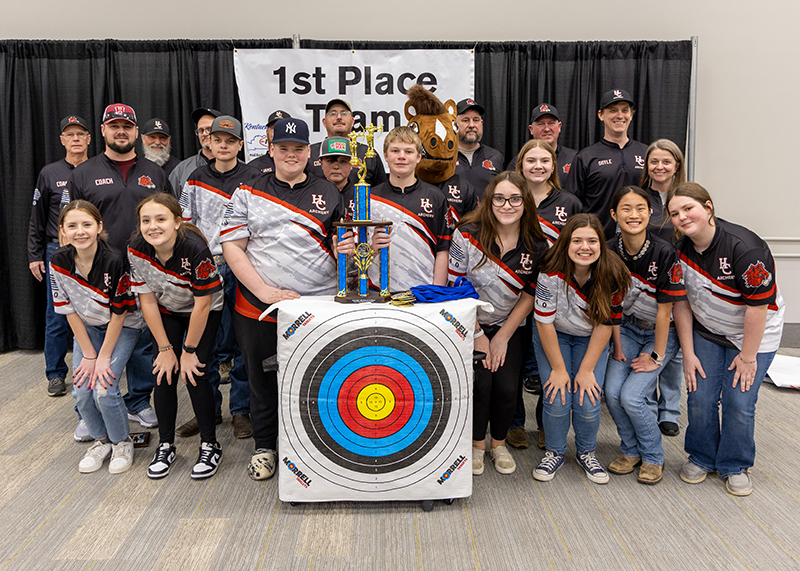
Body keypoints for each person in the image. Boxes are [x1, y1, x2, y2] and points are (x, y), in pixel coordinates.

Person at [220, 117, 352, 481]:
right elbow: (232, 246)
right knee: (262, 381)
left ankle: (314, 446)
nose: (290, 155)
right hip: (258, 305)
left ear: (308, 152)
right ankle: (265, 447)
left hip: (318, 305)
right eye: (283, 148)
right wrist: (263, 291)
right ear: (271, 149)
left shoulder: (328, 191)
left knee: (319, 378)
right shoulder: (247, 189)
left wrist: (347, 249)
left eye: (298, 149)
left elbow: (338, 244)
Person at [668, 182, 784, 496]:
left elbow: (758, 308)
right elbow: (680, 304)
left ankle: (735, 464)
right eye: (675, 214)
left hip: (753, 335)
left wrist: (748, 358)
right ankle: (702, 456)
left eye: (688, 208)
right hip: (707, 331)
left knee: (739, 401)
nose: (682, 217)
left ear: (708, 207)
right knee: (700, 397)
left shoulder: (744, 247)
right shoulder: (679, 251)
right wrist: (688, 353)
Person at [66, 103, 171, 431]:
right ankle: (88, 412)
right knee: (93, 338)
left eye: (127, 126)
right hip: (97, 274)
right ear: (103, 130)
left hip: (144, 270)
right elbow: (73, 225)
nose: (121, 131)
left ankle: (138, 400)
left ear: (136, 132)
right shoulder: (83, 173)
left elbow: (170, 223)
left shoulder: (155, 173)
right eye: (114, 126)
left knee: (143, 341)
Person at [448, 171, 547, 475]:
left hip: (511, 325)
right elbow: (455, 286)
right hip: (468, 321)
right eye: (500, 198)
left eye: (515, 198)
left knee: (506, 389)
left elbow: (531, 292)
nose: (507, 205)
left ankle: (498, 444)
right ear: (489, 201)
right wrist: (477, 332)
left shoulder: (538, 243)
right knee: (481, 383)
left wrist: (503, 335)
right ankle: (477, 447)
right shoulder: (465, 233)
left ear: (525, 202)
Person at [128, 193, 225, 480]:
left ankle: (210, 444)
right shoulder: (136, 249)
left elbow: (204, 303)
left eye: (160, 219)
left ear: (176, 222)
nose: (152, 226)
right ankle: (166, 445)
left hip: (204, 309)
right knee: (163, 373)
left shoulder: (194, 248)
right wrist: (165, 348)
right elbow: (147, 301)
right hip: (169, 308)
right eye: (146, 220)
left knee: (195, 373)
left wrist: (189, 350)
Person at [178, 115, 261, 439]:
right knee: (205, 345)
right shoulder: (196, 178)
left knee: (243, 342)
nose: (223, 145)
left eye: (230, 140)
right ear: (208, 142)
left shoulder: (254, 178)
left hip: (243, 267)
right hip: (207, 267)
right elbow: (184, 224)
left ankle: (241, 411)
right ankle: (207, 411)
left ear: (240, 145)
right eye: (218, 140)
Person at [531, 213, 630, 484]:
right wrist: (559, 369)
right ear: (566, 243)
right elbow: (544, 323)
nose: (584, 247)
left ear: (601, 244)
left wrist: (586, 370)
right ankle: (555, 452)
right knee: (557, 396)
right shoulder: (550, 270)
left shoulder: (613, 272)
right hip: (554, 334)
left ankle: (586, 452)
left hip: (591, 337)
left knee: (588, 399)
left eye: (592, 241)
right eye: (577, 240)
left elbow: (605, 325)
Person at [50, 200, 142, 474]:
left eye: (87, 224)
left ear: (99, 227)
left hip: (122, 325)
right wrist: (89, 354)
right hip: (87, 328)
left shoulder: (114, 259)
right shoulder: (58, 261)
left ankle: (122, 442)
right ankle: (102, 441)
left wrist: (103, 357)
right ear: (62, 231)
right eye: (72, 226)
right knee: (81, 390)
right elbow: (68, 310)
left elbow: (119, 314)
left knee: (104, 387)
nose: (80, 231)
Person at [604, 186, 686, 485]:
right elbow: (611, 303)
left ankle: (653, 456)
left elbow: (666, 312)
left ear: (651, 212)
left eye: (640, 208)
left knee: (632, 396)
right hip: (625, 328)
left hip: (660, 334)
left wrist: (657, 356)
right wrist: (616, 345)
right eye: (625, 208)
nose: (633, 214)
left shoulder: (664, 251)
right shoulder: (610, 249)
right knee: (612, 393)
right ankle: (631, 450)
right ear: (614, 214)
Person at [507, 139, 584, 450]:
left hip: (555, 298)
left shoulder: (570, 202)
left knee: (547, 366)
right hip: (513, 292)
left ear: (554, 166)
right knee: (512, 363)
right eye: (530, 160)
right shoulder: (510, 198)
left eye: (544, 160)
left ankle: (544, 424)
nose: (537, 166)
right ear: (520, 165)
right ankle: (513, 423)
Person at [28, 115, 90, 399]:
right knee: (57, 315)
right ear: (62, 140)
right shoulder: (49, 173)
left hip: (93, 251)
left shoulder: (97, 169)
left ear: (90, 138)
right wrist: (34, 254)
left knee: (94, 313)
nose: (76, 138)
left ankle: (94, 365)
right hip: (58, 251)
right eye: (70, 134)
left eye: (80, 134)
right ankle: (55, 374)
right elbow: (37, 219)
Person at [639, 139, 688, 437]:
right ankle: (649, 406)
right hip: (646, 280)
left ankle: (670, 410)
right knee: (649, 347)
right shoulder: (639, 197)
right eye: (654, 162)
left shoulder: (686, 196)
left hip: (680, 280)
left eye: (666, 162)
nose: (659, 167)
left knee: (676, 349)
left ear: (676, 166)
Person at [362, 126, 451, 291]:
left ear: (418, 157)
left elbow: (443, 249)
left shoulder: (436, 197)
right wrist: (372, 248)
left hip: (423, 293)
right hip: (377, 292)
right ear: (386, 156)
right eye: (395, 150)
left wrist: (436, 291)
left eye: (408, 152)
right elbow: (355, 250)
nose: (401, 156)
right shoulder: (367, 198)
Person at [566, 89, 648, 239]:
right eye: (613, 110)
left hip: (639, 241)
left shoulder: (646, 153)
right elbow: (573, 204)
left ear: (631, 115)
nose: (620, 115)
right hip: (599, 242)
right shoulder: (586, 156)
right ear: (601, 115)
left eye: (625, 110)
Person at [308, 98, 387, 187]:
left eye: (344, 113)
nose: (338, 117)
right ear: (324, 122)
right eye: (333, 113)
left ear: (352, 121)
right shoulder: (310, 152)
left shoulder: (367, 153)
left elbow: (381, 190)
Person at [507, 103, 577, 189]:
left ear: (559, 127)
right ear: (531, 129)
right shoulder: (518, 162)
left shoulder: (575, 158)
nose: (547, 129)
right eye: (540, 124)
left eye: (551, 123)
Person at [454, 98, 504, 193]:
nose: (472, 125)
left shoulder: (495, 156)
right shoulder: (447, 157)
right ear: (455, 125)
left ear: (481, 123)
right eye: (465, 120)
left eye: (476, 120)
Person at [169, 107, 222, 195]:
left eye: (209, 129)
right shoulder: (181, 170)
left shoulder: (238, 169)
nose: (205, 133)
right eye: (201, 130)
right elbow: (170, 205)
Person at [248, 109, 291, 174]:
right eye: (274, 128)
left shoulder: (301, 165)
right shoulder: (253, 168)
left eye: (283, 128)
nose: (278, 132)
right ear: (267, 132)